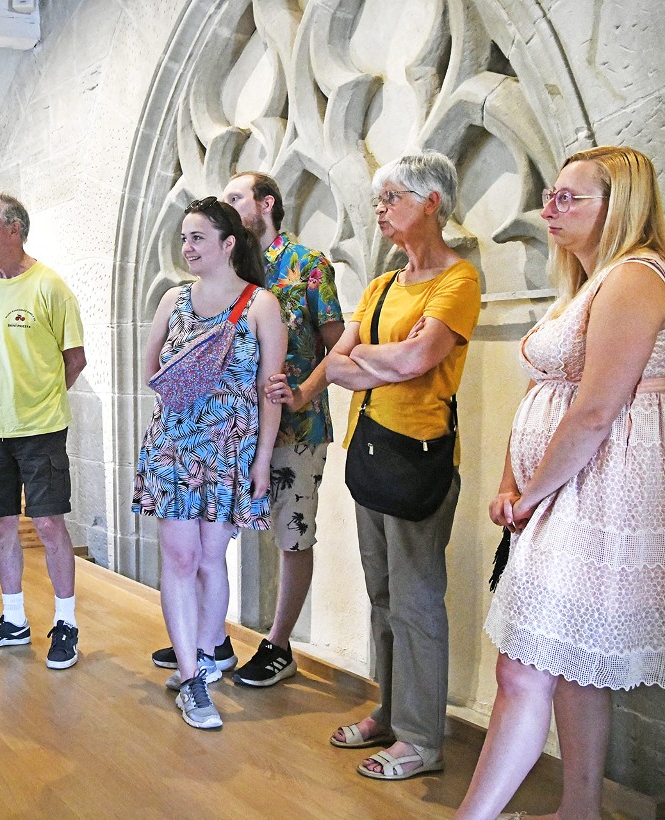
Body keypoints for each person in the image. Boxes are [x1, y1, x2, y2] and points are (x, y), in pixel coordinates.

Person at [457, 146, 665, 818]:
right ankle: (580, 811)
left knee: (523, 670)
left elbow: (599, 409)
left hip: (596, 492)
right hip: (559, 489)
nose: (549, 208)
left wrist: (533, 493)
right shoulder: (587, 282)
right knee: (572, 666)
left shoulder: (635, 278)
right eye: (550, 194)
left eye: (569, 197)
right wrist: (508, 478)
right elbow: (544, 396)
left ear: (620, 205)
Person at [300, 151, 480, 779]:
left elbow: (414, 363)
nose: (380, 208)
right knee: (382, 595)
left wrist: (365, 365)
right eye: (377, 200)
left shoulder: (458, 280)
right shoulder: (381, 286)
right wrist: (310, 389)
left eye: (392, 197)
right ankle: (389, 709)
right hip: (371, 454)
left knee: (417, 599)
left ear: (432, 202)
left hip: (418, 458)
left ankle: (423, 740)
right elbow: (343, 359)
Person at [149, 172, 345, 686]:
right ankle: (207, 641)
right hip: (216, 435)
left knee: (291, 534)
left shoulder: (306, 266)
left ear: (264, 205)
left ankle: (277, 643)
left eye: (235, 198)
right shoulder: (207, 286)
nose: (227, 204)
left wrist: (301, 393)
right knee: (208, 548)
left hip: (292, 424)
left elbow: (337, 346)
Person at [133, 197, 287, 728]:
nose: (187, 248)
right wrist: (183, 378)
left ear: (228, 244)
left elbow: (272, 390)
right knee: (178, 557)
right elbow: (150, 365)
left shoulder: (261, 304)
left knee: (209, 558)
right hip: (174, 444)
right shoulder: (174, 300)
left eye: (197, 237)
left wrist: (262, 459)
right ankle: (192, 677)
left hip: (229, 450)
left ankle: (202, 652)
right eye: (183, 238)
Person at [0, 190, 88, 670]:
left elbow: (74, 359)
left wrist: (41, 398)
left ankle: (67, 622)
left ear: (14, 229)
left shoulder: (50, 287)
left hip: (40, 430)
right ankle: (13, 620)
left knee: (51, 525)